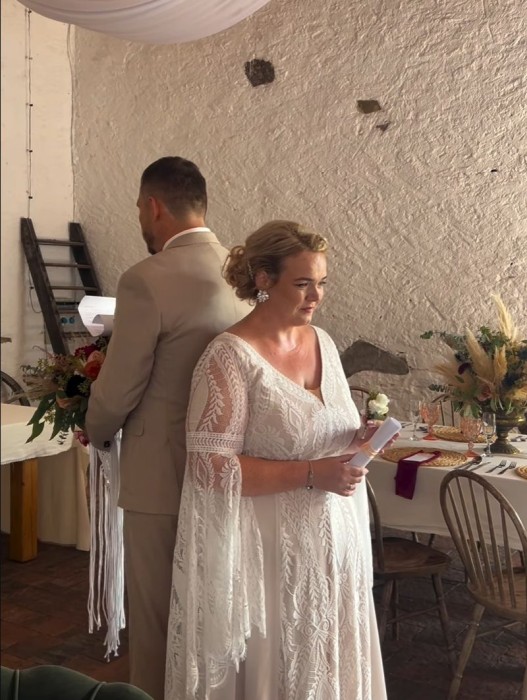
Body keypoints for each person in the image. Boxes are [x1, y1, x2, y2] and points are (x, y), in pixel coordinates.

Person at [165, 220, 387, 700]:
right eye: (303, 283)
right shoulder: (228, 357)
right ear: (264, 279)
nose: (316, 296)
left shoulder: (322, 341)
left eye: (322, 282)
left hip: (337, 538)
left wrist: (358, 438)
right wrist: (311, 474)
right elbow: (210, 467)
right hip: (271, 551)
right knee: (282, 667)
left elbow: (318, 429)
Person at [85, 156, 248, 700]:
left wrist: (95, 428)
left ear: (154, 206)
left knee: (157, 615)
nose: (140, 217)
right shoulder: (243, 273)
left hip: (162, 474)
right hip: (230, 472)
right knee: (213, 609)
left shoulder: (146, 279)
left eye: (139, 207)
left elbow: (120, 388)